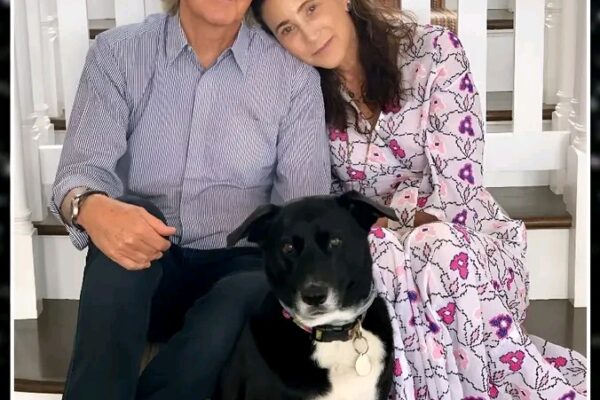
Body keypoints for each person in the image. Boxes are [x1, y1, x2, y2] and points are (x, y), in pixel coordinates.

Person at [250, 0, 587, 398]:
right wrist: (379, 232)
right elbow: (326, 204)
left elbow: (459, 190)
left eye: (311, 8)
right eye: (287, 29)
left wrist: (387, 222)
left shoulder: (435, 52)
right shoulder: (304, 93)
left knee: (434, 245)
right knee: (379, 254)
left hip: (466, 250)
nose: (308, 34)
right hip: (381, 256)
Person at [50, 0, 331, 398]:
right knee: (127, 217)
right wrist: (90, 207)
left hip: (239, 275)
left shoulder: (293, 78)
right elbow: (80, 172)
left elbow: (302, 214)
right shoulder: (117, 54)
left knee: (256, 286)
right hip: (143, 271)